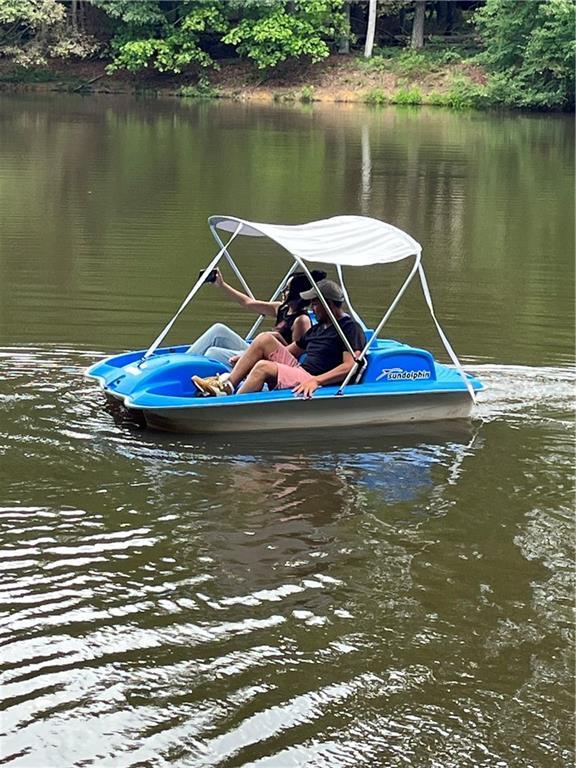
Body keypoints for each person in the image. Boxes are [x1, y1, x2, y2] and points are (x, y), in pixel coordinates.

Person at [192, 279, 366, 399]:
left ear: (328, 304)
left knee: (262, 368)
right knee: (264, 339)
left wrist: (316, 380)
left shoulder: (350, 328)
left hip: (314, 378)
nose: (312, 308)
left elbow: (349, 366)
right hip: (301, 370)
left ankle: (229, 406)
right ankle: (228, 385)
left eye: (315, 303)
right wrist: (249, 358)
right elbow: (290, 351)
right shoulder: (320, 327)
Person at [186, 268, 327, 366]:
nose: (283, 291)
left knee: (213, 352)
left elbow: (292, 357)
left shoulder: (301, 320)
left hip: (267, 357)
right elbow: (247, 302)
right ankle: (184, 360)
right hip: (257, 348)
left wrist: (252, 355)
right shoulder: (281, 308)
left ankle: (200, 373)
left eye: (288, 289)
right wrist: (222, 285)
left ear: (297, 293)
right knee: (219, 329)